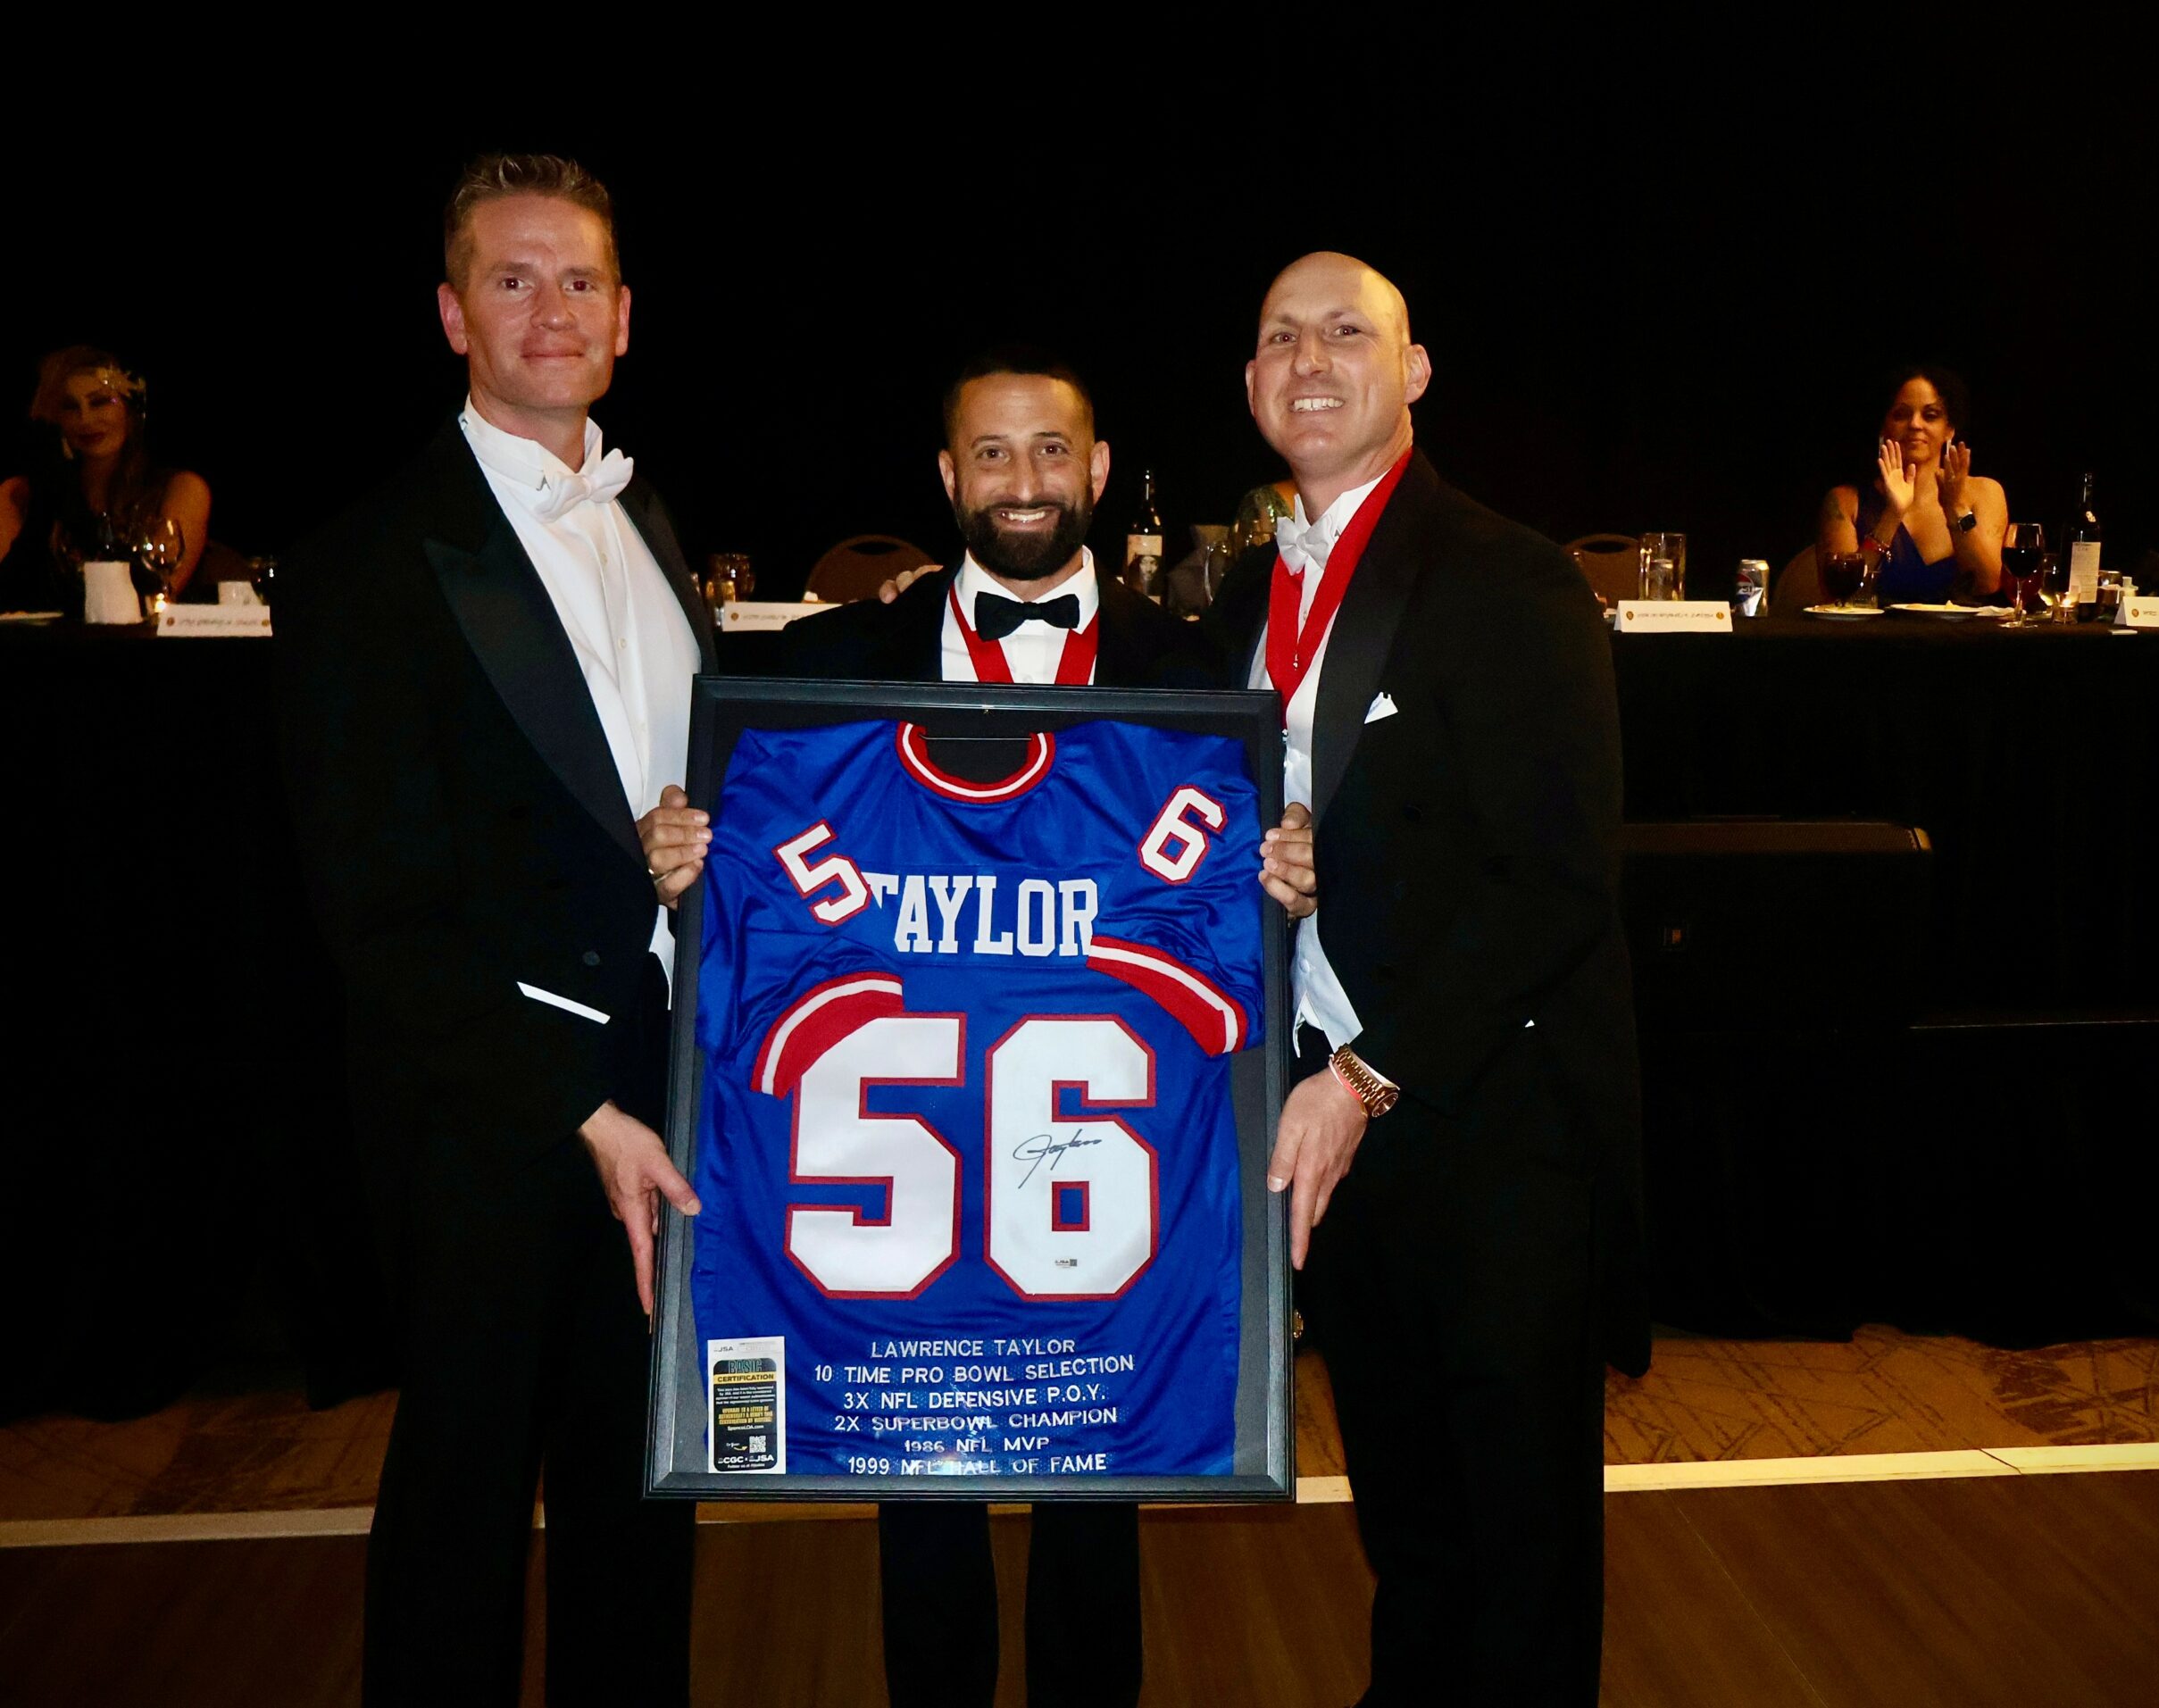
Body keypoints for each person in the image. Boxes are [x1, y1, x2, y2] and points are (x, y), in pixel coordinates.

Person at [645, 346, 1313, 1708]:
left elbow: (1252, 908)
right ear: (948, 478)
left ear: (1100, 470)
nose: (1025, 484)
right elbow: (737, 872)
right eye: (993, 455)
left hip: (1089, 1172)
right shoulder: (820, 671)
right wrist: (683, 848)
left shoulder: (1195, 680)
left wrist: (1288, 873)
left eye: (1052, 451)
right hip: (903, 1164)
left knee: (1100, 1472)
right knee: (916, 1471)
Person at [274, 154, 708, 1705]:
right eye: (514, 279)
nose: (553, 309)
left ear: (627, 315)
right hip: (494, 1114)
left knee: (641, 1496)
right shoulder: (363, 567)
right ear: (452, 313)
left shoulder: (649, 514)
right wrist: (575, 1108)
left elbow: (631, 807)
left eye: (580, 279)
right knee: (461, 1512)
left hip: (671, 1088)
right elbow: (378, 918)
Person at [1205, 252, 1646, 1704]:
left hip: (1490, 1127)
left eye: (1348, 331)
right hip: (1340, 1135)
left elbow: (1561, 886)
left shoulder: (1509, 575)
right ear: (1252, 379)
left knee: (1519, 1550)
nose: (1310, 358)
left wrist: (1368, 1069)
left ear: (1417, 370)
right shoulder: (1238, 594)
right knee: (1409, 1528)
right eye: (1280, 336)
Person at [0, 346, 212, 611]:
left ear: (130, 410)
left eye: (100, 402)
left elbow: (151, 595)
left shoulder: (180, 488)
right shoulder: (19, 494)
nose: (85, 419)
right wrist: (47, 499)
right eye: (70, 407)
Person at [1817, 365, 2005, 604]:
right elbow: (1839, 597)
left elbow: (1987, 583)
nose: (1915, 424)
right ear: (1883, 427)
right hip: (1871, 639)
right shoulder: (1844, 501)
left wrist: (1955, 507)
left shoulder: (1985, 492)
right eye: (1901, 414)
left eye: (1930, 415)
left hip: (1961, 639)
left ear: (1949, 429)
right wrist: (1892, 515)